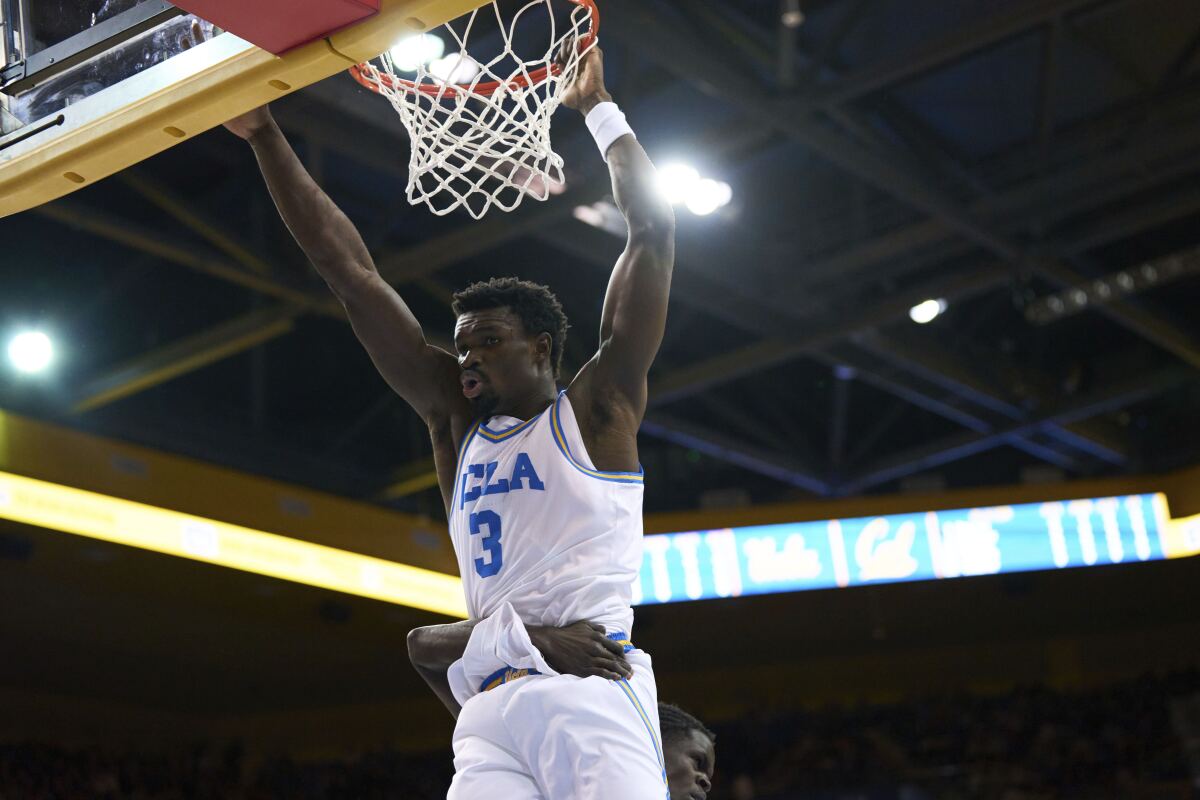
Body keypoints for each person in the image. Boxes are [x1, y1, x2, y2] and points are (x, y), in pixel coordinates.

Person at [223, 36, 675, 800]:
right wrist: (265, 135)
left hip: (587, 684)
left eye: (489, 345)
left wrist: (598, 108)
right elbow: (351, 274)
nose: (467, 362)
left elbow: (653, 234)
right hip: (491, 699)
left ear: (543, 348)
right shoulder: (455, 425)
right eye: (462, 347)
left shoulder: (598, 410)